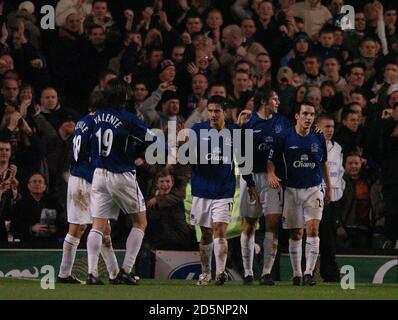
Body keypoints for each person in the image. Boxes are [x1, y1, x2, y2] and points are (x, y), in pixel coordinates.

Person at [86, 78, 154, 285]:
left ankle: (92, 273)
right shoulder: (129, 118)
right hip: (121, 174)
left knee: (97, 225)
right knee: (140, 222)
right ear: (125, 96)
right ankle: (125, 269)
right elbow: (152, 140)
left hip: (98, 174)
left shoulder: (96, 116)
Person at [267, 102, 332, 286]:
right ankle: (297, 273)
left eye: (311, 114)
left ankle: (309, 272)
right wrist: (271, 173)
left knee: (313, 230)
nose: (308, 118)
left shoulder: (318, 137)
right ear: (297, 116)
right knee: (296, 233)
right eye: (305, 114)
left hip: (313, 189)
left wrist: (329, 187)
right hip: (292, 190)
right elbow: (271, 160)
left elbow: (324, 163)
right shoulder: (285, 136)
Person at [57, 97, 119, 285]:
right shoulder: (97, 125)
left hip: (76, 178)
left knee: (77, 228)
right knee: (102, 227)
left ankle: (64, 274)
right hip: (90, 179)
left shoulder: (82, 122)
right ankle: (115, 274)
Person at [236, 86, 290, 285]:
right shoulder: (249, 123)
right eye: (274, 99)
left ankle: (266, 272)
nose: (278, 102)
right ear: (264, 101)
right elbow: (241, 154)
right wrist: (249, 183)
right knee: (249, 224)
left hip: (272, 178)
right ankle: (249, 272)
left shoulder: (282, 122)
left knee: (273, 224)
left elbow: (284, 150)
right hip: (252, 178)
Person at [190, 95, 238, 286]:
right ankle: (205, 272)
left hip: (224, 190)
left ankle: (220, 273)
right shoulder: (197, 130)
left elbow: (244, 158)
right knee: (206, 234)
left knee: (220, 230)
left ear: (224, 112)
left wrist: (250, 185)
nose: (213, 114)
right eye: (210, 110)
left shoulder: (234, 132)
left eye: (217, 111)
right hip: (201, 189)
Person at [316, 114, 345, 282]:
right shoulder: (312, 144)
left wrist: (337, 192)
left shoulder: (337, 148)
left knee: (328, 237)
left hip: (332, 200)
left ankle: (330, 273)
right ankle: (307, 271)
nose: (330, 130)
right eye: (326, 126)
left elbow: (340, 173)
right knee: (311, 235)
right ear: (317, 127)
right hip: (314, 195)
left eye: (332, 126)